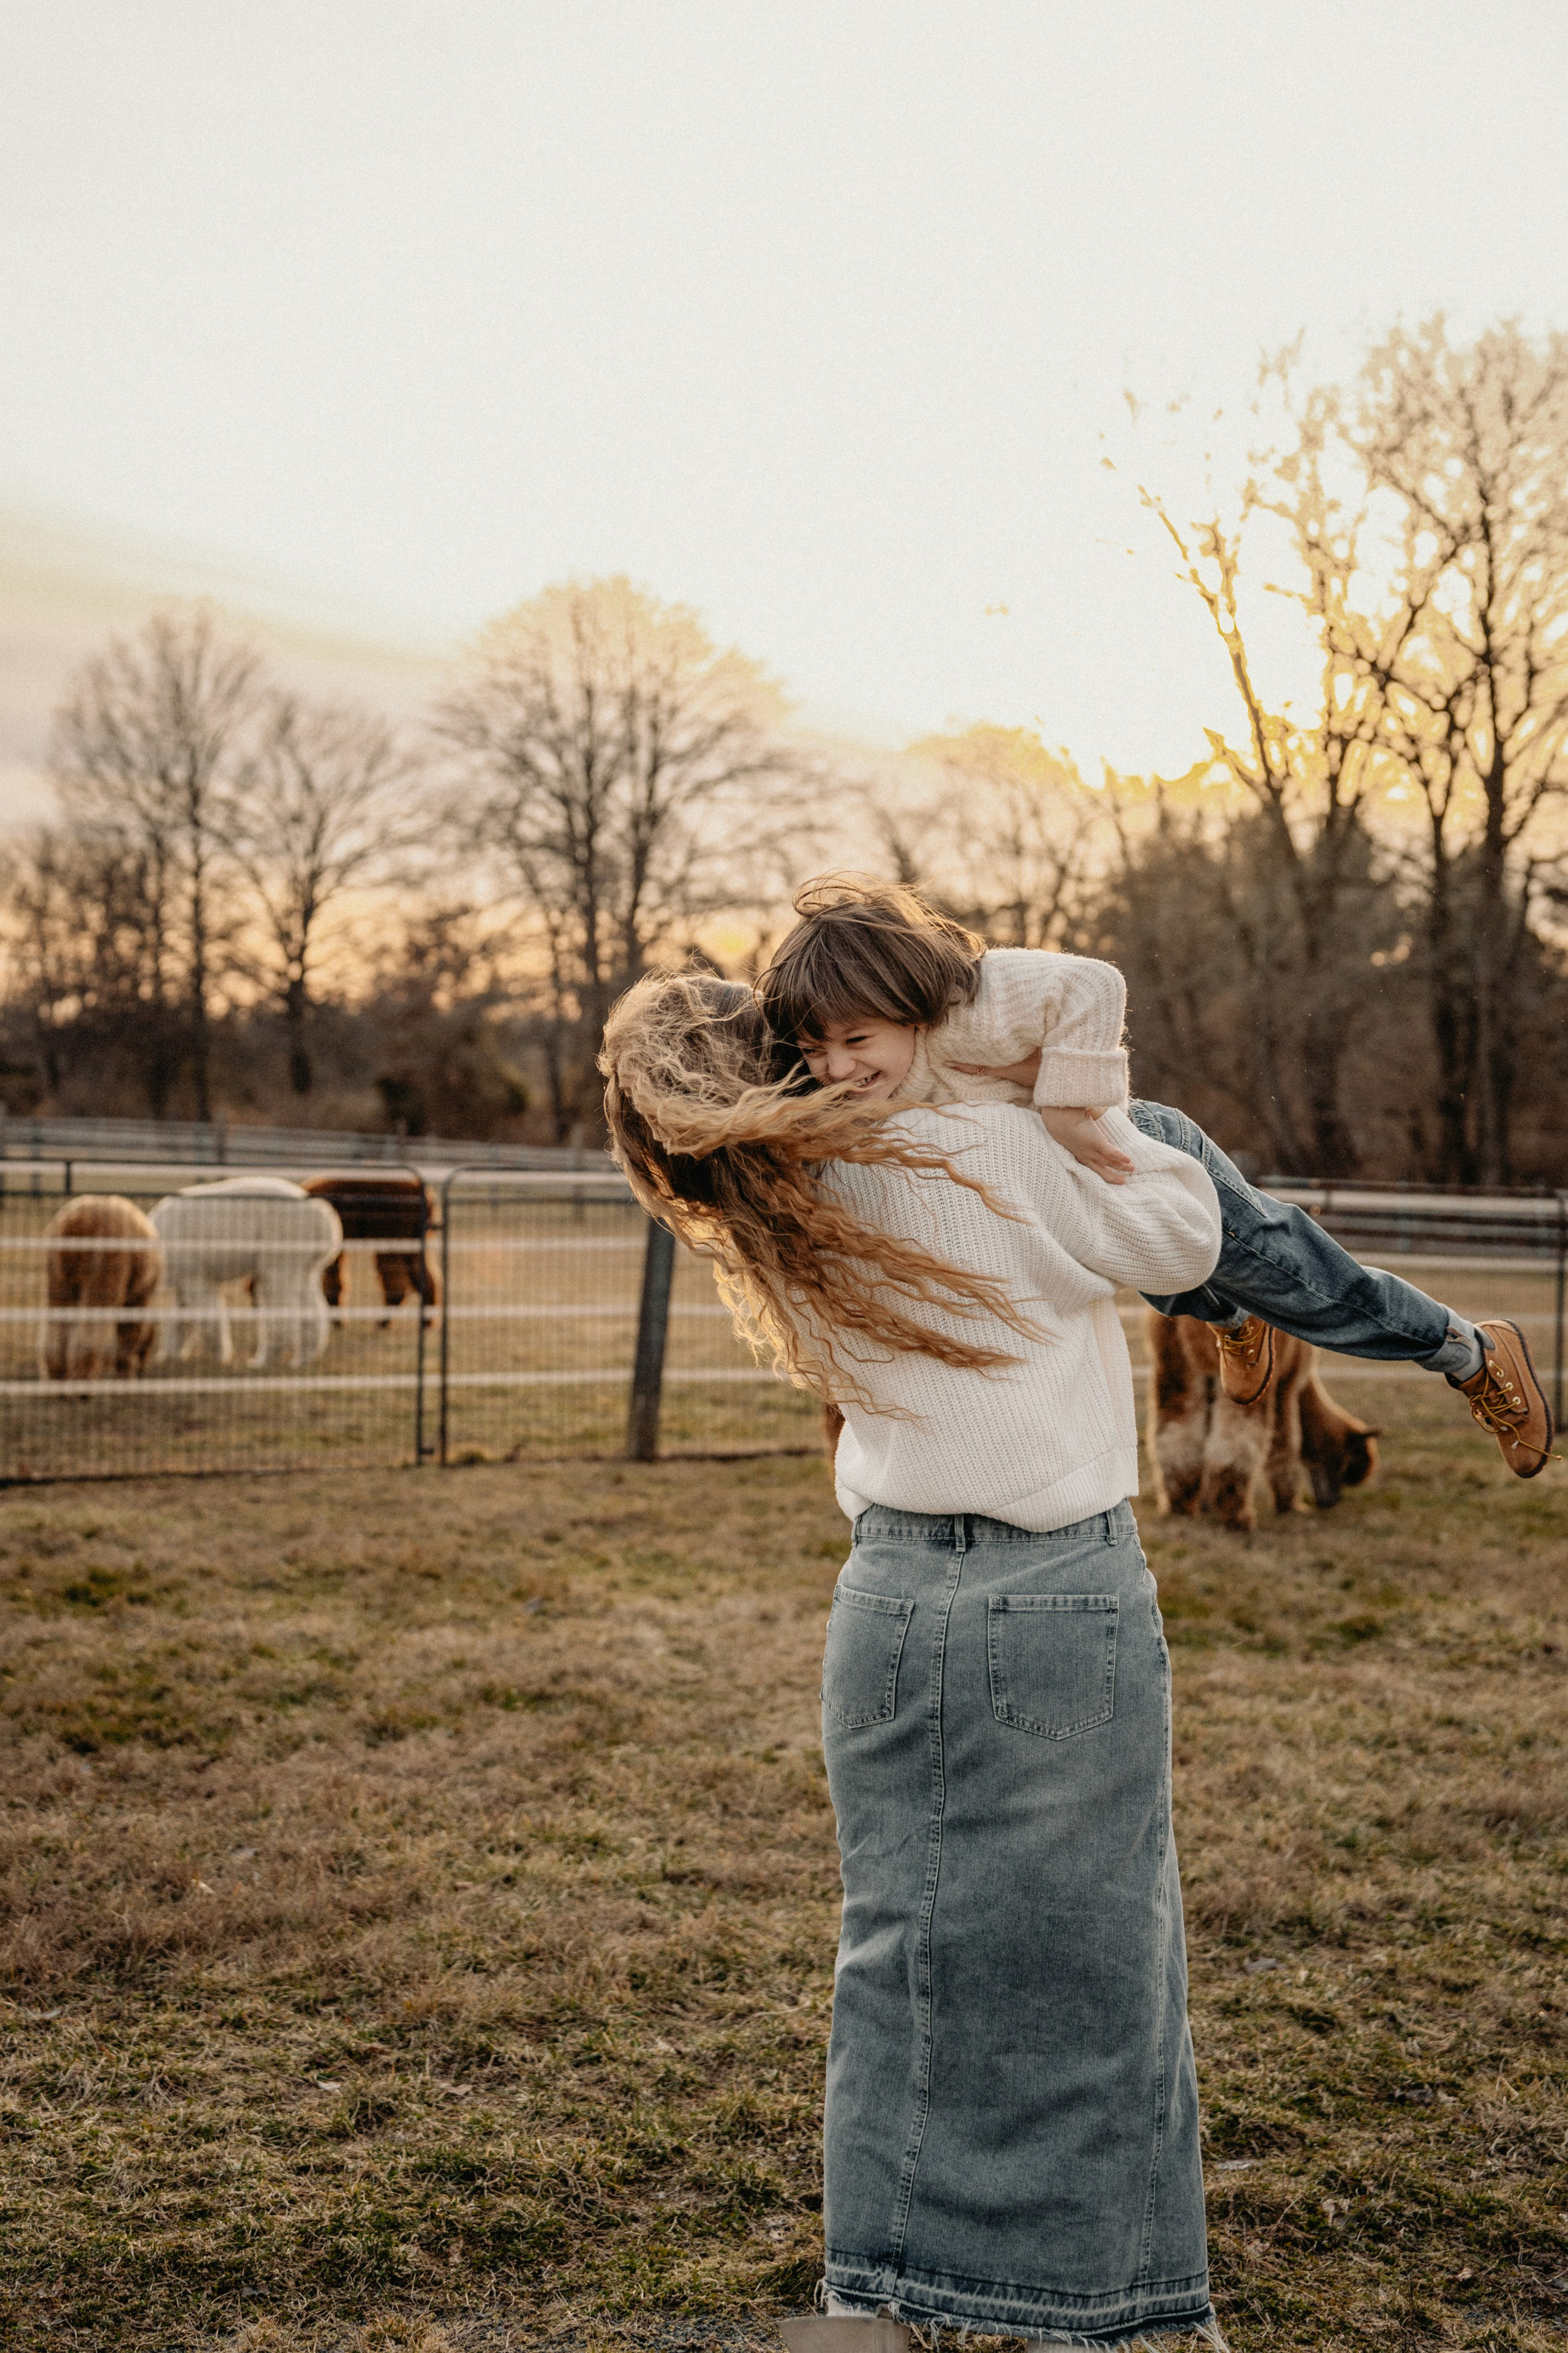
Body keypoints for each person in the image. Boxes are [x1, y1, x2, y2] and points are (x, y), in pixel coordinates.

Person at [601, 971, 1231, 2351]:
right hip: (1051, 1588)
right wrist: (1088, 1117)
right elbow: (1187, 1238)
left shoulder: (774, 1215)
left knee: (893, 1950)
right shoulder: (994, 1148)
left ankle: (867, 2299)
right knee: (1099, 1950)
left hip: (883, 1595)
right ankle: (1116, 2310)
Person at [754, 876, 1554, 1479]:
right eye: (816, 1051)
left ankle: (1471, 1352)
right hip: (1090, 1195)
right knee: (1166, 1279)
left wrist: (1069, 1107)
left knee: (1307, 1286)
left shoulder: (970, 1005)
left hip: (1143, 1152)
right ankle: (1229, 1318)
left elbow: (1093, 985)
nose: (838, 1067)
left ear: (907, 1002)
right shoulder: (860, 1081)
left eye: (856, 1040)